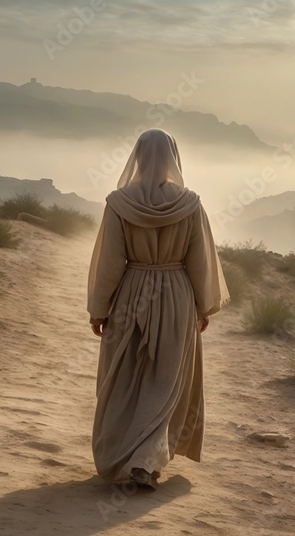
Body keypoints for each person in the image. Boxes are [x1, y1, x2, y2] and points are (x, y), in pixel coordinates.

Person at [87, 128, 228, 488]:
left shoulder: (119, 203)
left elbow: (110, 263)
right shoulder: (190, 204)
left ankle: (127, 455)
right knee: (165, 382)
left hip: (131, 295)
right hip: (177, 296)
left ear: (137, 157)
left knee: (126, 378)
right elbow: (200, 262)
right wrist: (202, 306)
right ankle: (146, 461)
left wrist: (99, 308)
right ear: (173, 158)